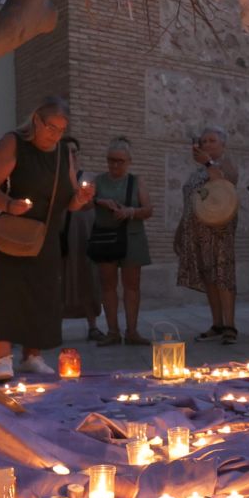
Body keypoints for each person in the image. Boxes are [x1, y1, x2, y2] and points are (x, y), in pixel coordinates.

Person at [0, 97, 92, 381]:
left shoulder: (63, 151)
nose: (56, 135)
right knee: (6, 292)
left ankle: (33, 356)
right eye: (51, 127)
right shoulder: (13, 142)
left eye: (62, 130)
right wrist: (8, 204)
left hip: (45, 235)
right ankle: (2, 359)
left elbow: (69, 201)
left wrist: (81, 198)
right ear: (37, 121)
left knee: (43, 294)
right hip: (9, 234)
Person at [174, 126, 240, 343]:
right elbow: (191, 201)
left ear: (223, 144)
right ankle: (217, 323)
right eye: (203, 141)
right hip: (197, 232)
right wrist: (181, 229)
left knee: (223, 276)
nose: (207, 145)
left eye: (212, 141)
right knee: (209, 277)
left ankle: (230, 325)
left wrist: (208, 162)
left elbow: (224, 183)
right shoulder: (197, 172)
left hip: (220, 231)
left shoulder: (225, 165)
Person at [90, 136, 153, 345]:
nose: (115, 164)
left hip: (132, 238)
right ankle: (112, 331)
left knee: (132, 286)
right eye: (111, 160)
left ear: (129, 162)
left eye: (120, 161)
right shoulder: (98, 181)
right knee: (108, 285)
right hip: (106, 238)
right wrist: (99, 200)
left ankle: (132, 331)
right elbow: (81, 204)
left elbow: (148, 210)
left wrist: (130, 212)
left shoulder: (136, 181)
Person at [61, 136, 105, 341]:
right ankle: (53, 326)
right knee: (58, 280)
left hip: (83, 234)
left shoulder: (87, 177)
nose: (72, 155)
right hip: (60, 234)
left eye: (74, 151)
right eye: (67, 151)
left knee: (88, 277)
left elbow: (91, 204)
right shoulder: (54, 178)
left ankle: (93, 325)